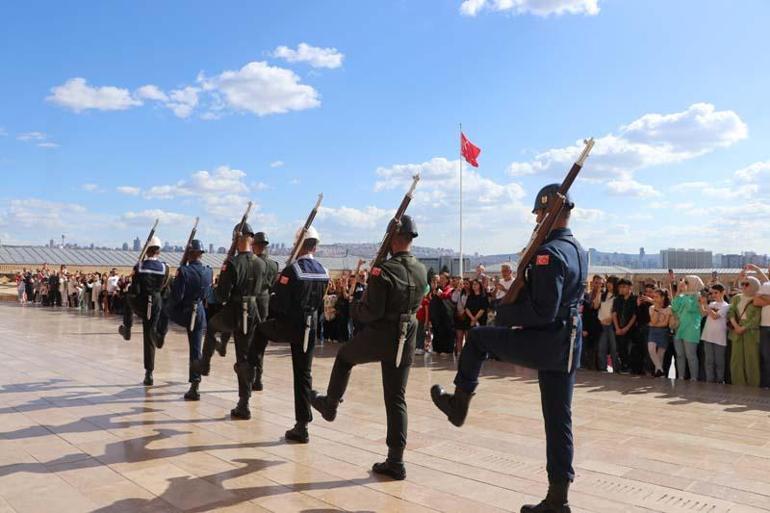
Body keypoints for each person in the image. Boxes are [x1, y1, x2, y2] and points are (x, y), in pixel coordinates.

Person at [430, 184, 587, 513]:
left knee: (478, 338)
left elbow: (543, 309)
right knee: (559, 420)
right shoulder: (578, 249)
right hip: (568, 343)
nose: (537, 220)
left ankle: (459, 404)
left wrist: (505, 313)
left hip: (547, 340)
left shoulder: (549, 253)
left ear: (549, 214)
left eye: (540, 214)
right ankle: (558, 499)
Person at [311, 215, 428, 480]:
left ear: (391, 239)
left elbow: (371, 311)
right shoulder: (422, 269)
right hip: (407, 335)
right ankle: (396, 460)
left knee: (343, 357)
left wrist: (353, 308)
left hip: (382, 334)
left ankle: (330, 404)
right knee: (396, 397)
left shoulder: (383, 270)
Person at [251, 226, 328, 442]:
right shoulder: (324, 270)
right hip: (310, 328)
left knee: (260, 329)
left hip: (291, 325)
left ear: (299, 244)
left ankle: (250, 367)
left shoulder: (293, 270)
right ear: (316, 246)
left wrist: (277, 287)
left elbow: (278, 304)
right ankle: (302, 426)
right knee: (303, 374)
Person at [213, 222, 265, 419]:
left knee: (242, 358)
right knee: (249, 355)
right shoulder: (261, 263)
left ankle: (244, 403)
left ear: (236, 238)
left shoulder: (233, 264)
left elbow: (221, 296)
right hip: (254, 311)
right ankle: (249, 385)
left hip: (239, 311)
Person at [162, 240, 213, 400]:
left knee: (163, 311)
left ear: (190, 254)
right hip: (200, 313)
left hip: (185, 313)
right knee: (196, 349)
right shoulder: (208, 271)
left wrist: (169, 306)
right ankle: (195, 385)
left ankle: (159, 334)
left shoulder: (184, 271)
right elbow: (207, 294)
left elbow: (177, 296)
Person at [118, 236, 170, 386]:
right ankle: (149, 373)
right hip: (156, 302)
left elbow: (135, 289)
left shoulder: (139, 266)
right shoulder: (165, 267)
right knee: (149, 334)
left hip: (142, 302)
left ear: (146, 251)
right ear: (158, 251)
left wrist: (134, 275)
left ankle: (127, 328)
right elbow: (165, 288)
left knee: (128, 296)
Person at [247, 232, 279, 391]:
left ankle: (250, 376)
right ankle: (258, 378)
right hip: (265, 303)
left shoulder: (253, 263)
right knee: (261, 343)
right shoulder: (274, 265)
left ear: (255, 245)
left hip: (252, 302)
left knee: (250, 341)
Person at [728, 276, 762, 387]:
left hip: (751, 332)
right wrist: (736, 325)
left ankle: (753, 384)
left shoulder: (758, 299)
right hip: (736, 330)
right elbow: (731, 311)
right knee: (736, 359)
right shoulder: (737, 298)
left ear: (754, 286)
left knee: (751, 358)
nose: (743, 286)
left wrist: (743, 328)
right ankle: (738, 383)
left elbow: (756, 318)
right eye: (742, 284)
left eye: (746, 284)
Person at [671, 275, 704, 381]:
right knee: (680, 355)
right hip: (679, 329)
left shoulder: (698, 297)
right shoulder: (682, 296)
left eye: (686, 282)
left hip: (691, 330)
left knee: (691, 355)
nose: (683, 284)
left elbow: (691, 308)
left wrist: (684, 294)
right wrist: (678, 292)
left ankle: (694, 377)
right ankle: (681, 376)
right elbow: (674, 307)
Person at [700, 283, 729, 383]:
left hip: (719, 338)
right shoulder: (711, 304)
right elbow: (703, 314)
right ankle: (710, 381)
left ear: (722, 292)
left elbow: (715, 316)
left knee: (719, 362)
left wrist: (706, 305)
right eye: (712, 293)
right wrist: (702, 303)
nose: (713, 295)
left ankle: (719, 381)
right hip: (707, 336)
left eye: (716, 293)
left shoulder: (726, 306)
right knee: (709, 361)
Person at [612, 279, 638, 373]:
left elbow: (635, 315)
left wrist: (626, 328)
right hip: (619, 328)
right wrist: (617, 328)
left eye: (624, 287)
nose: (621, 289)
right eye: (620, 287)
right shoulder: (617, 300)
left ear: (630, 288)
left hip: (631, 329)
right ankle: (624, 366)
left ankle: (631, 367)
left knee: (630, 349)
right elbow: (614, 314)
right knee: (620, 348)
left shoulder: (635, 299)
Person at [647, 288, 673, 377]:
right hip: (653, 332)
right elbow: (653, 321)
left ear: (662, 298)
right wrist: (657, 310)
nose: (654, 299)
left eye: (657, 297)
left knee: (660, 355)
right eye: (654, 297)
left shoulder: (669, 308)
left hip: (664, 332)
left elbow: (665, 323)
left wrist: (653, 324)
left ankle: (658, 373)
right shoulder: (651, 308)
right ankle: (660, 370)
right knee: (651, 349)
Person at [597, 276, 619, 372]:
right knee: (601, 347)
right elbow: (596, 306)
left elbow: (617, 311)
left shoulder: (618, 297)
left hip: (612, 325)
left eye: (611, 282)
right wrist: (598, 291)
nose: (609, 284)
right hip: (602, 325)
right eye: (608, 282)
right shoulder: (603, 295)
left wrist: (610, 319)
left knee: (614, 348)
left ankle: (616, 368)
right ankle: (602, 368)